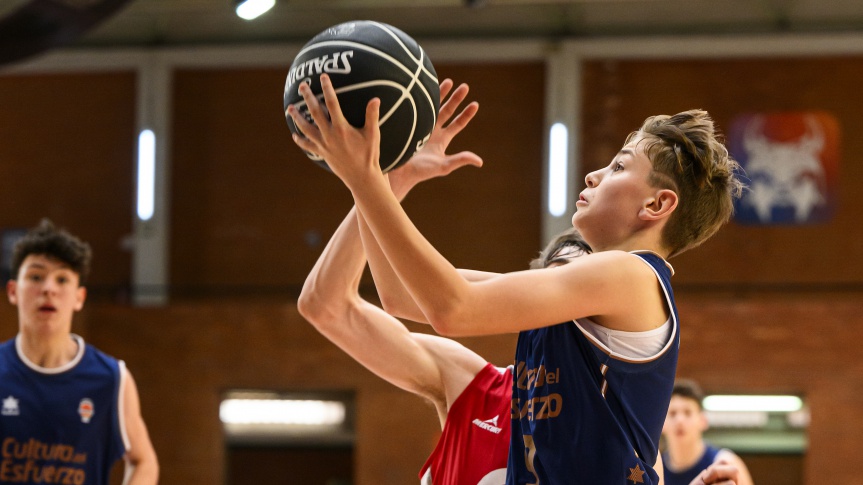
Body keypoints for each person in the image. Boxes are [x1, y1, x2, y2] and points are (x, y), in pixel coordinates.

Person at [288, 75, 742, 484]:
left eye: (619, 167)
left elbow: (452, 308)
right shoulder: (576, 315)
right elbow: (403, 296)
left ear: (657, 206)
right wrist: (383, 180)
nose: (594, 173)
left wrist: (365, 179)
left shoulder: (632, 274)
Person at [0, 220, 159, 485]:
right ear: (13, 291)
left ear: (79, 297)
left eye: (62, 279)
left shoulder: (111, 378)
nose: (48, 289)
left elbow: (144, 460)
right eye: (36, 276)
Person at [662, 379, 754, 485]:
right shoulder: (655, 468)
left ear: (703, 420)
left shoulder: (726, 462)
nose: (680, 421)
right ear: (662, 424)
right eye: (673, 414)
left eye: (688, 413)